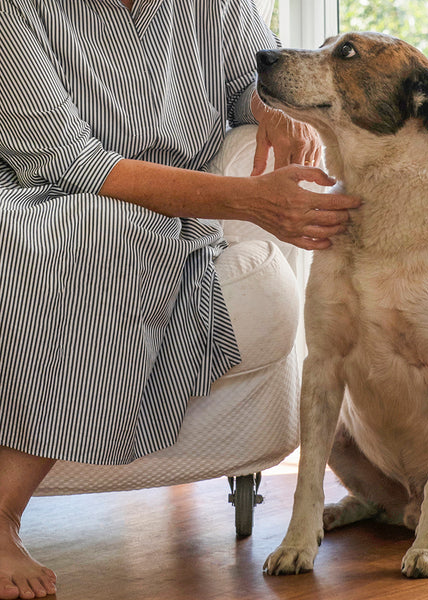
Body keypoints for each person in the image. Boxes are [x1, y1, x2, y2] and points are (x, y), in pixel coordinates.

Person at [0, 0, 360, 598]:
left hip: (163, 212)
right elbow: (69, 159)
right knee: (74, 241)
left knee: (110, 237)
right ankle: (3, 516)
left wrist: (272, 111)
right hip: (31, 187)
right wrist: (247, 200)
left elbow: (257, 74)